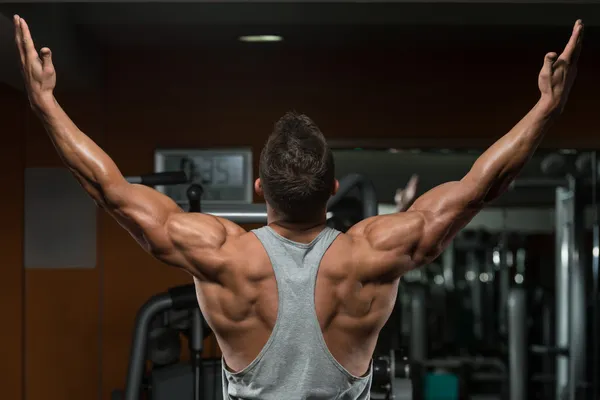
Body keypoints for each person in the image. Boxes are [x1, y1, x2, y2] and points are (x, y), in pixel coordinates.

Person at [13, 14, 583, 399]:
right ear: (333, 188)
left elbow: (106, 186)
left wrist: (45, 105)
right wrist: (545, 110)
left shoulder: (219, 254)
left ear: (260, 188)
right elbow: (482, 184)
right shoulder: (373, 253)